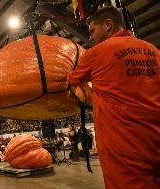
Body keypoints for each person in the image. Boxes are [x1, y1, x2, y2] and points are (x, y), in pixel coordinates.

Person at [66, 6, 160, 189]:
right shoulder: (153, 50)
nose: (91, 37)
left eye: (92, 30)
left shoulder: (96, 53)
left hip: (124, 144)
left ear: (108, 25)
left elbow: (71, 79)